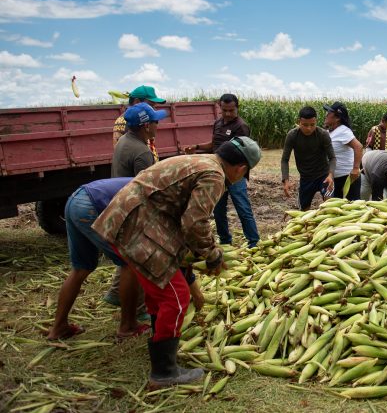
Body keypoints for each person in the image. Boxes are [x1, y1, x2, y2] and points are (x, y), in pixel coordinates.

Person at [92, 136, 262, 388]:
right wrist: (212, 254)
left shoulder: (202, 161)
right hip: (139, 226)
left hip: (127, 218)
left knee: (160, 290)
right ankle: (164, 371)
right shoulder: (215, 175)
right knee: (177, 297)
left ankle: (160, 343)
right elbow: (194, 222)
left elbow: (185, 217)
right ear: (241, 168)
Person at [47, 177, 147, 341]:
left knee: (81, 268)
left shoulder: (150, 179)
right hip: (93, 205)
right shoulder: (160, 190)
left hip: (76, 199)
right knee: (131, 262)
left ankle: (59, 327)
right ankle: (128, 326)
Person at [103, 102, 170, 318]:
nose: (158, 126)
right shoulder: (142, 152)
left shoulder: (124, 140)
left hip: (120, 202)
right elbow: (147, 191)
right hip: (133, 208)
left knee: (127, 257)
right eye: (155, 122)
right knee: (141, 258)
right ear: (145, 126)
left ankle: (115, 293)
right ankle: (140, 310)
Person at [184, 94, 260, 248]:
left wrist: (242, 173)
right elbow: (214, 143)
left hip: (234, 175)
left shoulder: (241, 126)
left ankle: (254, 242)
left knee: (242, 208)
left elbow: (245, 153)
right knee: (218, 210)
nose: (227, 114)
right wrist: (197, 147)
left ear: (237, 107)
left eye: (231, 110)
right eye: (224, 110)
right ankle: (225, 240)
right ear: (220, 107)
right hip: (217, 172)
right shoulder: (218, 123)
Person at [281, 106, 336, 210]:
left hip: (323, 176)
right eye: (305, 125)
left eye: (312, 124)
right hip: (306, 178)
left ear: (316, 121)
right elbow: (285, 160)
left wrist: (331, 175)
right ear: (299, 122)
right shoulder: (292, 135)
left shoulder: (323, 135)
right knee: (304, 211)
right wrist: (286, 180)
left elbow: (332, 158)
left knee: (330, 205)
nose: (309, 128)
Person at [323, 102, 362, 201]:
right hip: (333, 177)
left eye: (329, 112)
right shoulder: (330, 131)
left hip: (347, 177)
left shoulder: (343, 131)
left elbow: (358, 147)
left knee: (352, 208)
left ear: (337, 118)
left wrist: (355, 169)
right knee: (333, 207)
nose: (326, 114)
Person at [112, 85, 166, 158]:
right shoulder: (133, 121)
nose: (153, 109)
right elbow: (138, 155)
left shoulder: (123, 119)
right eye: (150, 105)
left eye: (154, 106)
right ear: (137, 102)